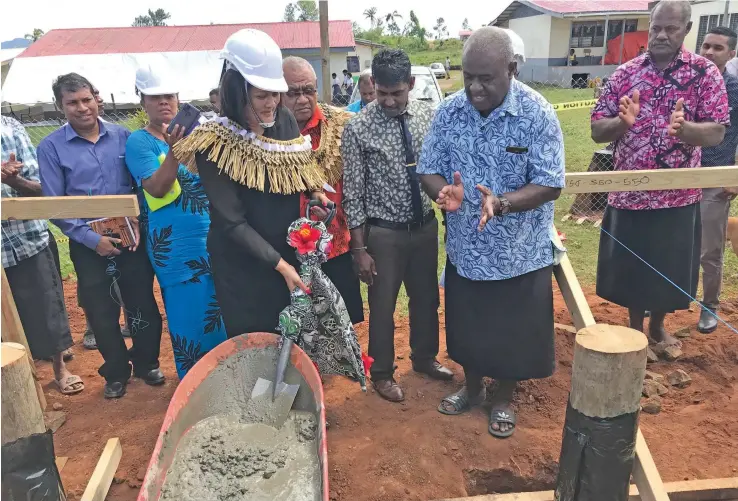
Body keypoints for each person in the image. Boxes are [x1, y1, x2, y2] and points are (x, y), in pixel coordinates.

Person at [419, 27, 565, 438]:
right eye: (468, 77)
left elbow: (551, 182)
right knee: (468, 325)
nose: (475, 87)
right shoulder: (449, 112)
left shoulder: (537, 114)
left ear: (512, 69)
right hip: (467, 248)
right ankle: (471, 387)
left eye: (486, 78)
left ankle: (503, 397)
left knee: (511, 329)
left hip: (520, 252)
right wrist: (443, 191)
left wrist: (502, 203)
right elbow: (428, 169)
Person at [591, 1, 728, 350]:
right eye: (656, 28)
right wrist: (622, 123)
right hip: (630, 192)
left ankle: (658, 327)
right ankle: (636, 328)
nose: (662, 35)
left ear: (686, 29)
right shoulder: (625, 74)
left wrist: (686, 131)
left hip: (677, 194)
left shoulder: (704, 73)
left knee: (669, 267)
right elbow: (596, 130)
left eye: (671, 29)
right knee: (633, 268)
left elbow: (716, 131)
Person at [174, 29, 329, 337]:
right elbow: (231, 223)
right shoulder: (214, 143)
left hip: (283, 251)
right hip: (242, 263)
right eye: (261, 96)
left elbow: (298, 163)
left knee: (289, 334)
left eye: (275, 93)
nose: (271, 103)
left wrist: (314, 192)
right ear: (236, 92)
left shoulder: (282, 119)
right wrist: (281, 265)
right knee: (254, 339)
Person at [38, 73, 164, 399]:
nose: (82, 108)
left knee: (142, 304)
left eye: (86, 99)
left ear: (96, 98)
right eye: (72, 103)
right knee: (101, 311)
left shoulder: (125, 138)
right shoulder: (51, 148)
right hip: (88, 243)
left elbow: (142, 187)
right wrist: (95, 240)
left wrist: (138, 223)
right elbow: (56, 206)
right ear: (60, 107)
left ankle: (147, 362)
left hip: (131, 237)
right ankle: (117, 372)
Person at [342, 48, 453, 403]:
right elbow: (353, 192)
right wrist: (359, 249)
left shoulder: (428, 117)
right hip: (383, 234)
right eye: (382, 92)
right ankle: (382, 372)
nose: (388, 101)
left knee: (425, 298)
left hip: (423, 228)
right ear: (373, 84)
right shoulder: (358, 128)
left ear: (411, 84)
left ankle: (424, 359)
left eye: (396, 93)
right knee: (383, 307)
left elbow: (442, 172)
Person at [125, 65, 228, 378]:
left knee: (220, 306)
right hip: (174, 245)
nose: (163, 102)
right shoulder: (139, 143)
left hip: (212, 234)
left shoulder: (200, 135)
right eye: (155, 97)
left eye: (169, 96)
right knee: (188, 312)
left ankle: (226, 373)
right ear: (142, 101)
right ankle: (197, 381)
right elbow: (156, 187)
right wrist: (173, 150)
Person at [1, 115, 84, 395]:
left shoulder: (10, 129)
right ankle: (12, 383)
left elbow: (39, 187)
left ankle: (60, 369)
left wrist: (14, 180)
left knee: (46, 304)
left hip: (26, 236)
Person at [281, 56, 364, 325]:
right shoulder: (267, 133)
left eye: (309, 91)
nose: (303, 99)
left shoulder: (343, 124)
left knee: (343, 325)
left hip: (336, 245)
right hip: (287, 252)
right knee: (298, 326)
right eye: (294, 93)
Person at [697, 26, 738, 333]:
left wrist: (735, 177)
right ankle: (666, 299)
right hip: (679, 175)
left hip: (716, 175)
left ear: (731, 54)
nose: (709, 52)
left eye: (717, 48)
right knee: (674, 242)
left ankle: (709, 305)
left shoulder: (735, 88)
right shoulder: (687, 82)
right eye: (705, 46)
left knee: (710, 247)